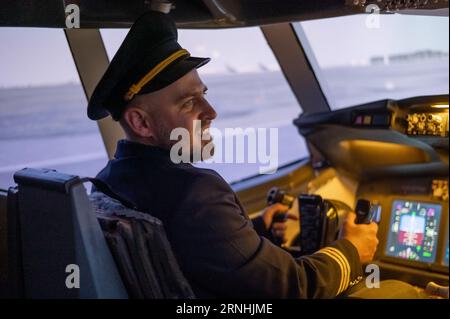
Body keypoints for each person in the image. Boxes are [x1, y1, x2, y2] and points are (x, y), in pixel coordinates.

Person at [87, 11, 411, 298]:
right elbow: (294, 287)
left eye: (204, 95)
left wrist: (255, 229)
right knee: (402, 291)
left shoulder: (108, 181)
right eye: (188, 103)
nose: (210, 112)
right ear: (140, 122)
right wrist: (352, 250)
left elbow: (190, 248)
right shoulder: (195, 192)